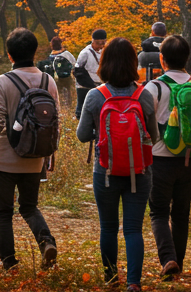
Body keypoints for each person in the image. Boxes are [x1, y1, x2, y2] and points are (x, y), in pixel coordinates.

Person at [77, 37, 159, 292]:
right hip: (140, 171)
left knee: (109, 228)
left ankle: (111, 279)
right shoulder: (143, 95)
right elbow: (154, 137)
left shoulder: (95, 96)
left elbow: (82, 135)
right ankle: (134, 282)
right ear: (134, 63)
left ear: (104, 63)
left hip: (105, 171)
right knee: (133, 229)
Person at [0, 27, 59, 270]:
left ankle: (9, 262)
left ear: (9, 55)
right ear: (35, 52)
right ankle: (46, 242)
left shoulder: (3, 81)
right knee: (29, 207)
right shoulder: (48, 80)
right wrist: (50, 154)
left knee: (3, 212)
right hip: (35, 157)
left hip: (5, 157)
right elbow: (55, 122)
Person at [142, 35, 191, 279]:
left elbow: (144, 123)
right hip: (190, 158)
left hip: (160, 159)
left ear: (162, 59)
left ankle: (168, 259)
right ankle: (177, 263)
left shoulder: (154, 87)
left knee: (158, 212)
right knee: (181, 213)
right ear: (187, 58)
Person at [74, 29, 107, 119]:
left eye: (103, 43)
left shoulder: (104, 52)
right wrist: (88, 83)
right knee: (82, 110)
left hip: (99, 85)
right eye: (98, 43)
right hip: (84, 86)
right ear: (93, 41)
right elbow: (77, 71)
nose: (100, 46)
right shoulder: (85, 53)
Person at [44, 37, 77, 111]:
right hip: (68, 76)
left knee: (59, 94)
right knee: (70, 93)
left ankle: (61, 109)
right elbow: (74, 63)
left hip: (57, 77)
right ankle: (70, 108)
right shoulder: (66, 53)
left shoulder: (51, 56)